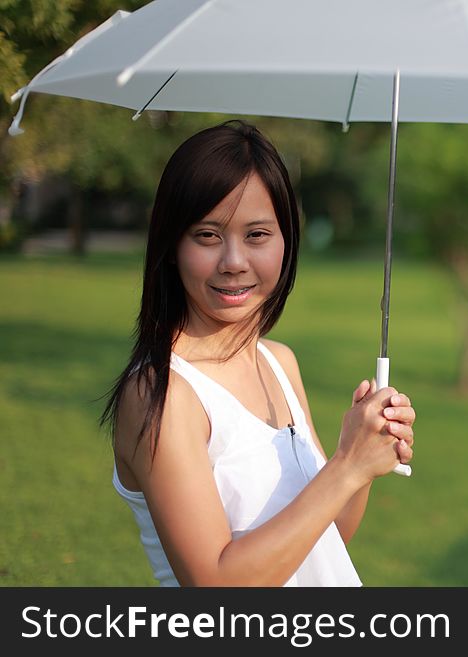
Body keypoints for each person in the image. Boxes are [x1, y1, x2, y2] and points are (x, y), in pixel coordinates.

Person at [100, 120, 415, 587]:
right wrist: (345, 466)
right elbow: (215, 583)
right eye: (207, 235)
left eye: (257, 235)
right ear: (171, 246)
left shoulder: (278, 362)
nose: (233, 261)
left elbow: (326, 539)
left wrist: (363, 457)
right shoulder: (162, 394)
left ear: (286, 241)